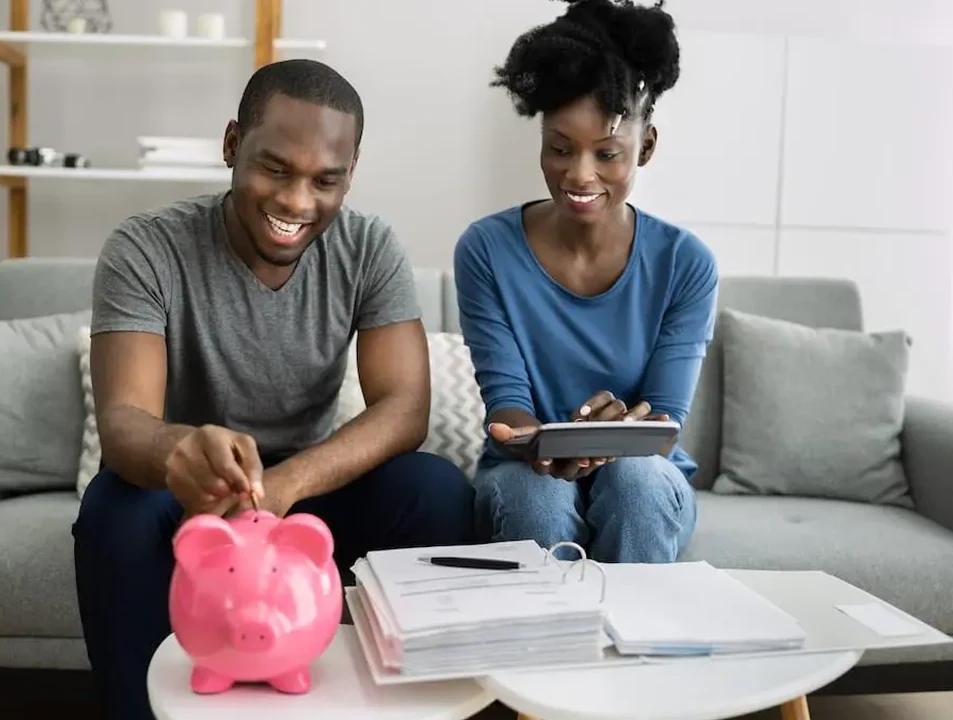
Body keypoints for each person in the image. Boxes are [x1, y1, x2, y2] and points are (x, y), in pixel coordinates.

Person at [73, 58, 476, 719]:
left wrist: (284, 489)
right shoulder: (146, 247)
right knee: (114, 512)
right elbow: (123, 423)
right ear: (232, 145)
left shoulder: (369, 246)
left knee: (435, 490)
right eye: (275, 169)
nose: (296, 202)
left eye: (326, 180)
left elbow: (406, 409)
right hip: (188, 485)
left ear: (350, 176)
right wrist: (183, 450)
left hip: (309, 489)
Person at [454, 0, 718, 564]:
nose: (579, 174)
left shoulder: (686, 264)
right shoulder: (486, 250)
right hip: (524, 471)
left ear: (644, 148)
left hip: (643, 476)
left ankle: (640, 644)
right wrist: (542, 445)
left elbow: (665, 419)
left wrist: (615, 436)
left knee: (638, 485)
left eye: (608, 153)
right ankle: (552, 649)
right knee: (537, 501)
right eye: (559, 148)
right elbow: (507, 405)